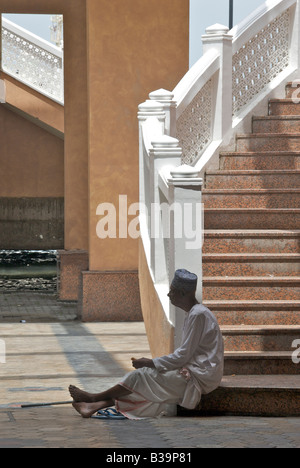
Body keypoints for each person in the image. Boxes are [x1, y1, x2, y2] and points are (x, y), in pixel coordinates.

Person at [69, 269, 224, 419]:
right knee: (146, 386)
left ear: (183, 293)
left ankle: (94, 398)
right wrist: (154, 364)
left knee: (140, 376)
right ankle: (92, 407)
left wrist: (150, 363)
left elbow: (183, 355)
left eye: (172, 291)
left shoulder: (198, 315)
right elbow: (185, 355)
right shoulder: (194, 313)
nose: (169, 294)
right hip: (196, 370)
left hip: (201, 375)